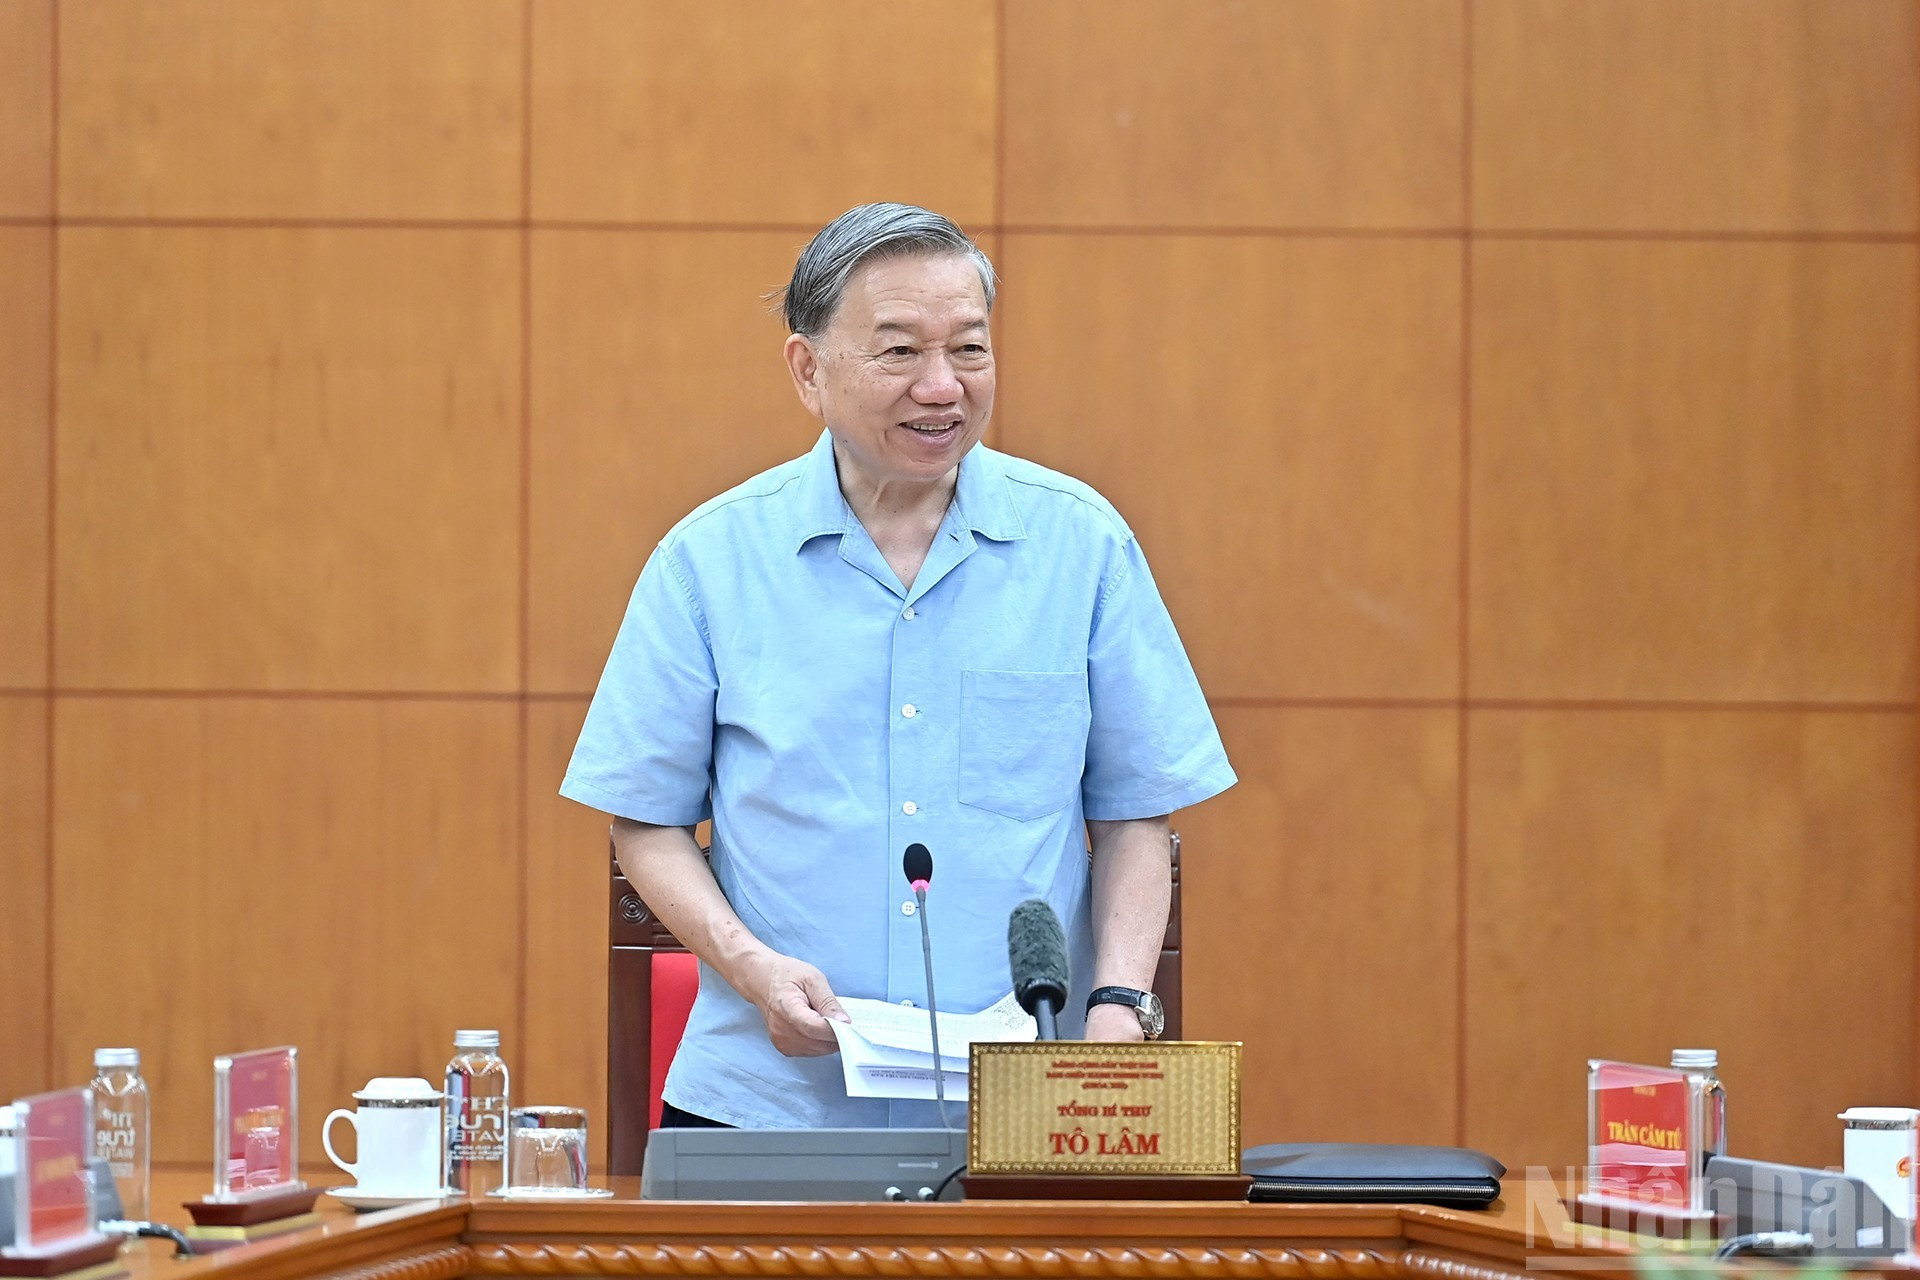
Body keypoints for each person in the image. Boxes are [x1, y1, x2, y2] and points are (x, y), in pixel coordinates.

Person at [560, 203, 1234, 1129]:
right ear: (808, 369)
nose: (943, 388)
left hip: (1030, 1109)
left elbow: (1135, 815)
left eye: (969, 349)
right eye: (899, 353)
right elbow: (645, 820)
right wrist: (752, 966)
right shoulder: (708, 562)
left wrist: (1117, 1010)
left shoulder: (1081, 545)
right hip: (769, 1102)